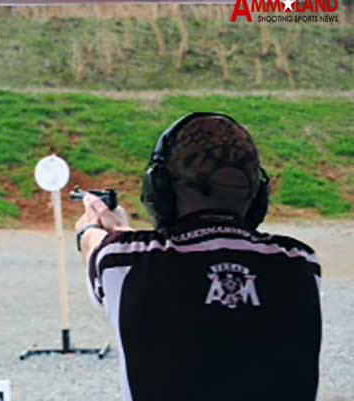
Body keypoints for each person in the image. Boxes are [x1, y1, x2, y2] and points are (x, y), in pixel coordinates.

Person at [75, 113, 322, 401]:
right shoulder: (299, 262)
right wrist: (123, 235)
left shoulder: (123, 260)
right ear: (257, 196)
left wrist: (92, 226)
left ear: (160, 189)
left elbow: (98, 245)